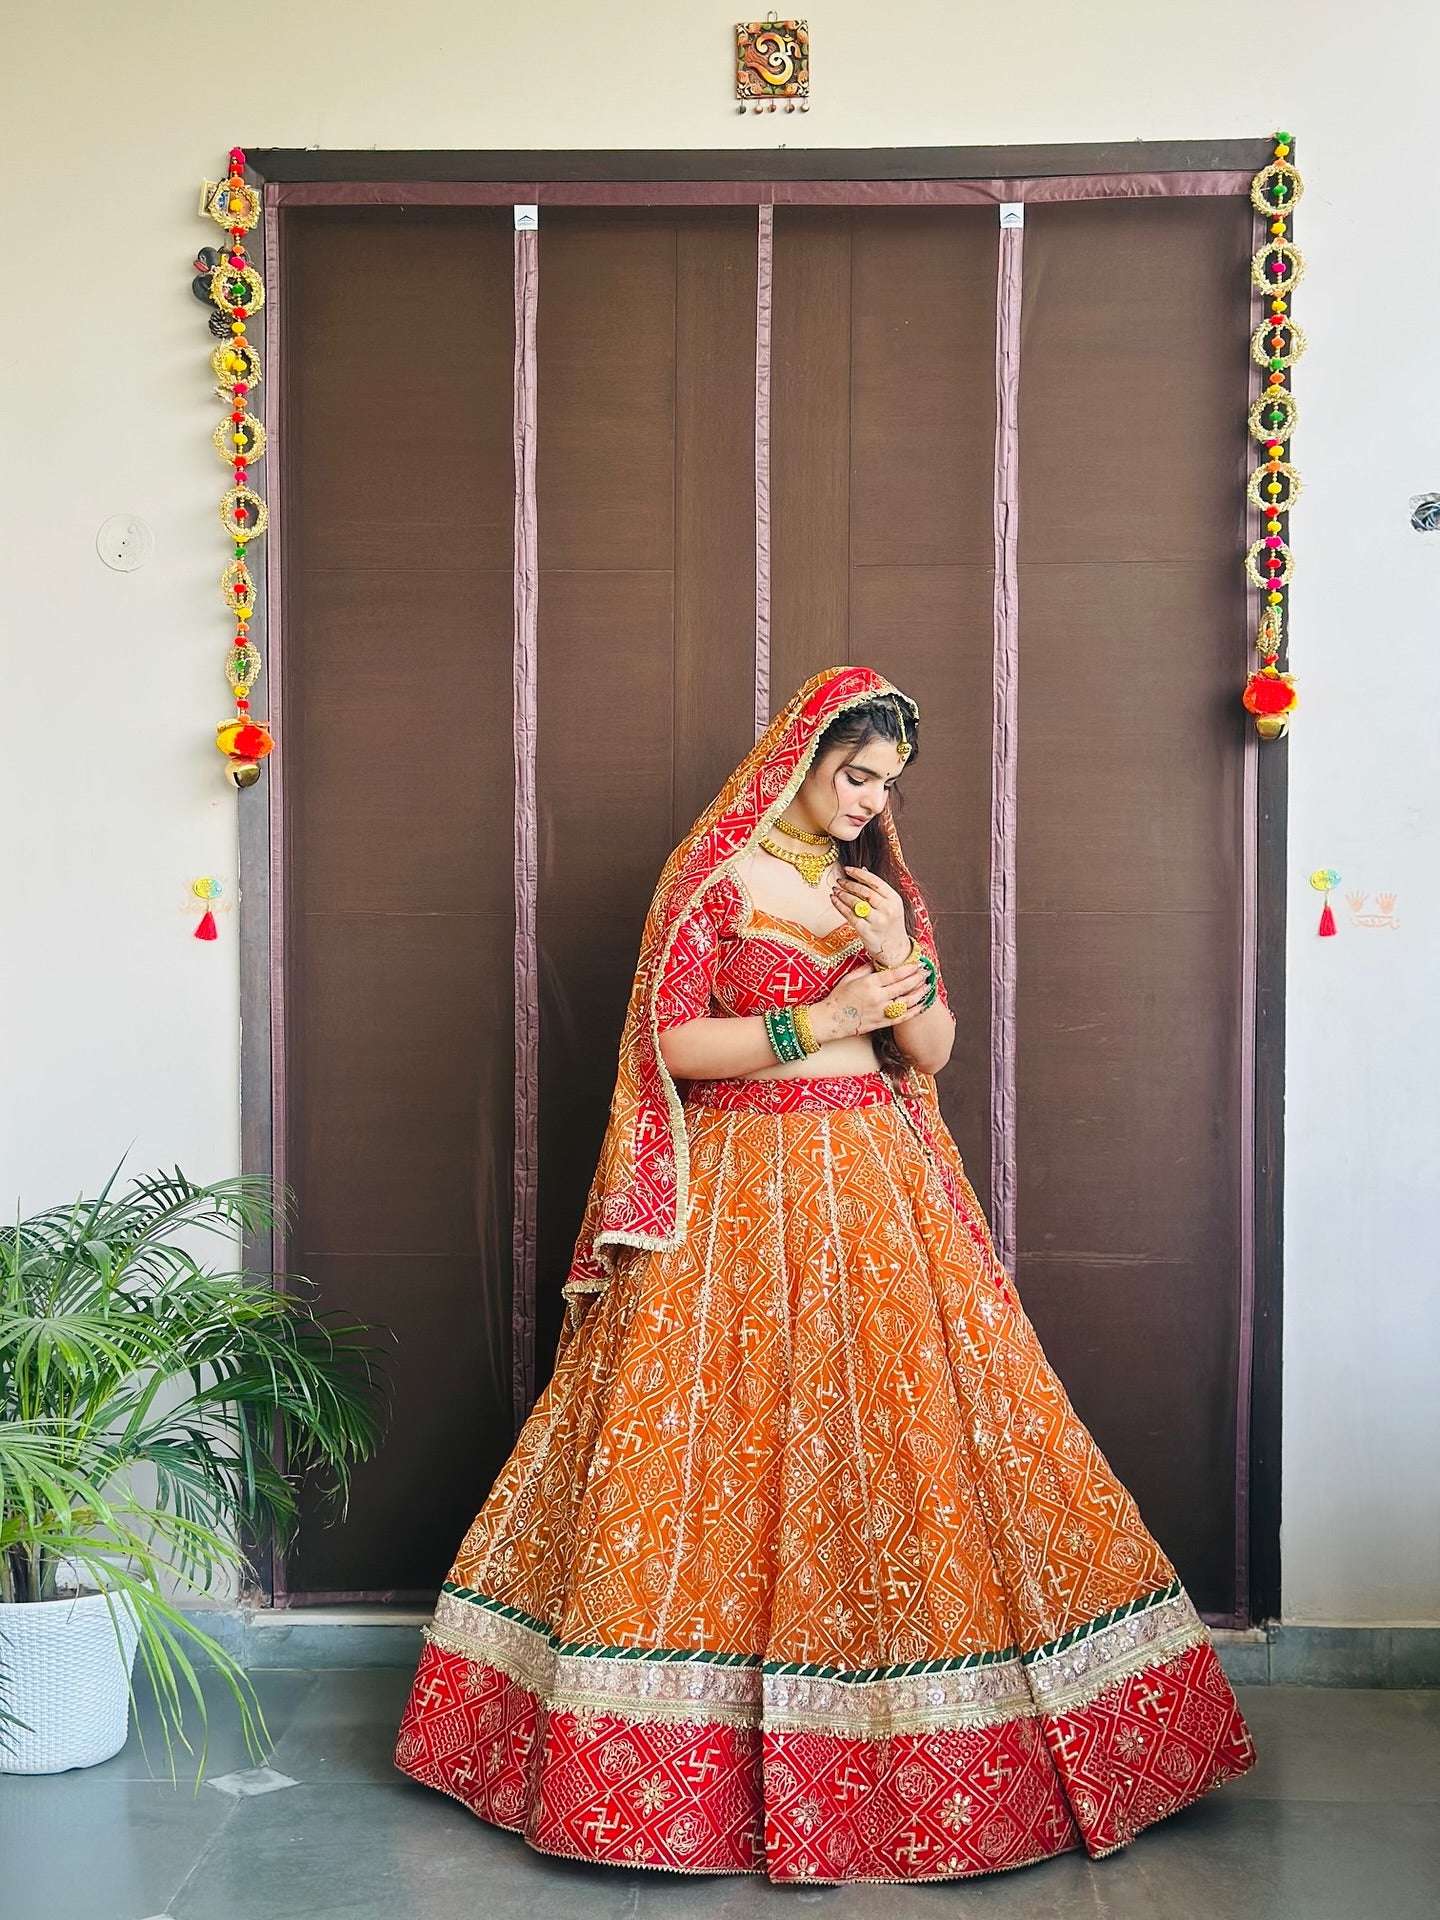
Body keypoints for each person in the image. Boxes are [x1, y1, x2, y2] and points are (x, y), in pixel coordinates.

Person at [393, 663, 1254, 1883]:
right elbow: (671, 1045)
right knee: (718, 1444)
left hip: (877, 1184)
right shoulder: (716, 879)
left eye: (886, 783)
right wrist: (821, 1013)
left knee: (907, 1442)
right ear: (797, 757)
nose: (867, 800)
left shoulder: (877, 889)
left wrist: (903, 955)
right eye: (853, 774)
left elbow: (933, 1049)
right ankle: (662, 1766)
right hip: (739, 1193)